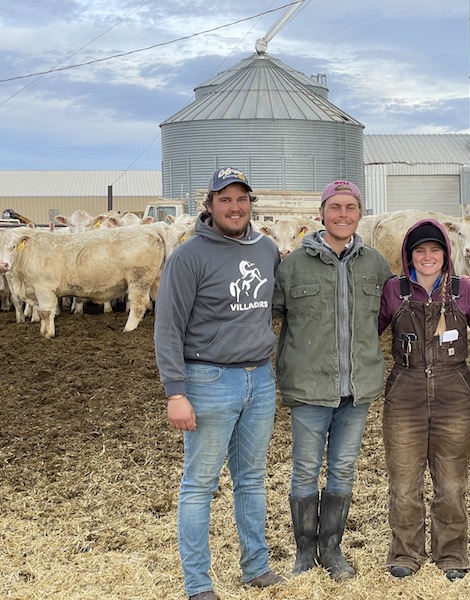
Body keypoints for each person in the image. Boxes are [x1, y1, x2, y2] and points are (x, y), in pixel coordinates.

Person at [154, 167, 284, 600]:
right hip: (208, 378)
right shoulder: (189, 257)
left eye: (241, 198)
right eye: (224, 199)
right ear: (208, 206)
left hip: (259, 377)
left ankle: (256, 566)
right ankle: (198, 583)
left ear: (251, 204)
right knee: (200, 484)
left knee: (251, 478)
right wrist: (176, 391)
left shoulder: (267, 249)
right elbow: (168, 328)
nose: (234, 207)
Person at [272, 180, 394, 580]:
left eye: (351, 207)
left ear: (360, 213)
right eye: (335, 207)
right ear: (321, 213)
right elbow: (266, 315)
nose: (343, 214)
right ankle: (305, 552)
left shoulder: (376, 265)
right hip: (310, 388)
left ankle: (332, 549)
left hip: (356, 389)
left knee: (343, 468)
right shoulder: (292, 265)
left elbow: (390, 315)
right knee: (305, 469)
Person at [378, 219, 470, 581]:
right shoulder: (395, 291)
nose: (427, 257)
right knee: (405, 482)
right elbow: (366, 333)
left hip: (453, 393)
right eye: (419, 251)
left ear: (446, 254)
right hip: (404, 392)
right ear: (409, 256)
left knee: (451, 481)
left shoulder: (462, 290)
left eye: (434, 250)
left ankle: (451, 551)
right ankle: (406, 552)